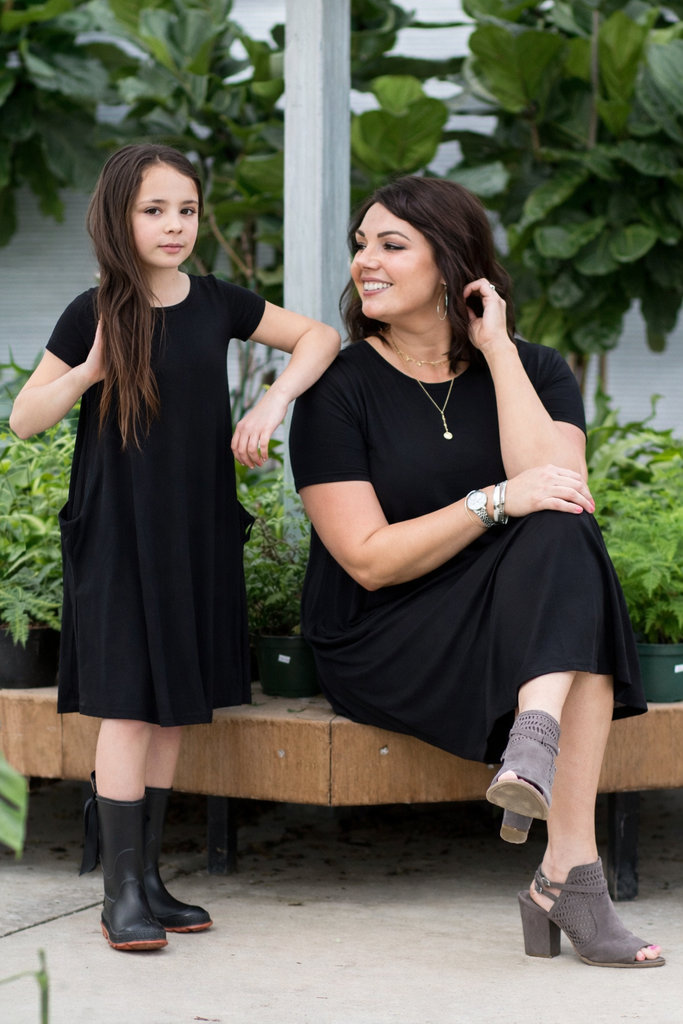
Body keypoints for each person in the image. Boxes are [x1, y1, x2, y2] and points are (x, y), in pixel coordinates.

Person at [289, 176, 664, 968]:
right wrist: (492, 500)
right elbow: (366, 560)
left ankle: (536, 756)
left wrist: (495, 349)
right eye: (360, 245)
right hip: (383, 629)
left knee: (562, 523)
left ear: (451, 264)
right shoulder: (338, 389)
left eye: (391, 245)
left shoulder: (534, 369)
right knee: (573, 629)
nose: (365, 261)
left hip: (508, 620)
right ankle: (569, 876)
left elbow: (561, 487)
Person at [10, 143, 340, 952]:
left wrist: (270, 405)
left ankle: (148, 879)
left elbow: (319, 337)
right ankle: (119, 894)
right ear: (117, 216)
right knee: (129, 705)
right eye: (154, 210)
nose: (174, 225)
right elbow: (23, 419)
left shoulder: (218, 302)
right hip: (119, 535)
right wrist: (88, 372)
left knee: (169, 712)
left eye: (186, 210)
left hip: (195, 531)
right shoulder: (91, 312)